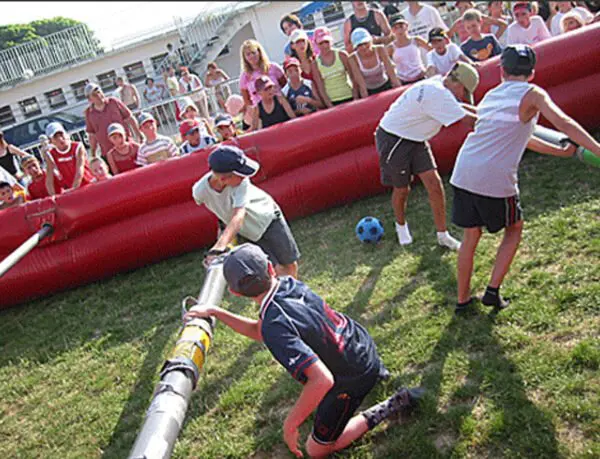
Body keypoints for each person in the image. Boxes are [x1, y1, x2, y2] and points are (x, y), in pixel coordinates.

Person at [183, 243, 424, 458]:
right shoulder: (288, 283)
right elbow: (260, 331)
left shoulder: (274, 323)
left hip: (352, 376)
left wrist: (291, 423)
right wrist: (215, 312)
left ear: (235, 293)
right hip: (361, 344)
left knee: (316, 449)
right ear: (271, 268)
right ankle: (377, 373)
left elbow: (321, 380)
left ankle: (393, 403)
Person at [451, 45, 600, 313]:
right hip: (493, 176)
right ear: (531, 73)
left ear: (502, 70)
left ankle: (462, 301)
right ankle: (492, 292)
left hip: (464, 170)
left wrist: (559, 151)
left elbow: (521, 137)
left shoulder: (491, 96)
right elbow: (564, 123)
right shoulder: (533, 94)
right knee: (514, 229)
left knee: (470, 235)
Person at [375, 62, 480, 249]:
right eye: (464, 92)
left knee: (434, 183)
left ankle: (443, 235)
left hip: (416, 138)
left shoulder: (441, 84)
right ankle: (401, 226)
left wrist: (488, 114)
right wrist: (501, 122)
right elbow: (470, 121)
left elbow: (465, 109)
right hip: (394, 138)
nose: (463, 97)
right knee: (402, 189)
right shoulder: (438, 93)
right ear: (458, 85)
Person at [192, 146, 300, 277]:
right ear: (223, 179)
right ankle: (280, 295)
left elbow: (239, 214)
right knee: (271, 271)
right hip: (247, 231)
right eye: (240, 174)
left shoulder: (241, 183)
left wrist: (219, 246)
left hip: (268, 217)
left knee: (289, 263)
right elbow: (218, 207)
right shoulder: (200, 191)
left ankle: (294, 291)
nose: (245, 177)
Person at [84, 82, 141, 158]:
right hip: (108, 153)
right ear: (89, 99)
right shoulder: (89, 113)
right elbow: (92, 135)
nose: (98, 96)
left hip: (127, 148)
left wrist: (139, 135)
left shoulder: (113, 102)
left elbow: (130, 118)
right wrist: (93, 154)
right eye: (94, 95)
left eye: (99, 92)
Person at [44, 122, 94, 196]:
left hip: (89, 184)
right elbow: (49, 179)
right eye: (56, 137)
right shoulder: (50, 154)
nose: (60, 139)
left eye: (61, 134)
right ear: (51, 141)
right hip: (71, 190)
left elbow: (79, 171)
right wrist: (53, 197)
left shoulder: (78, 147)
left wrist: (73, 190)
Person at [312, 27, 357, 107]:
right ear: (316, 44)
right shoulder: (315, 64)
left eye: (326, 42)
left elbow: (353, 77)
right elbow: (320, 87)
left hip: (349, 95)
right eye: (321, 43)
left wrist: (356, 98)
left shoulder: (342, 55)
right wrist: (329, 106)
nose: (324, 46)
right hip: (332, 101)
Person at [239, 39, 288, 113]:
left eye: (253, 52)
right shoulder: (244, 77)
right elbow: (247, 100)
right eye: (248, 54)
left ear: (259, 52)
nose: (252, 56)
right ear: (244, 58)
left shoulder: (274, 67)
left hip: (281, 106)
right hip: (261, 112)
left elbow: (285, 86)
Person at [349, 28, 400, 96]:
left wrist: (398, 88)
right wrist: (365, 97)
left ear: (371, 41)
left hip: (385, 85)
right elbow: (361, 83)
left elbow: (390, 71)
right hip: (369, 90)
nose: (364, 47)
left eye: (365, 43)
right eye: (359, 45)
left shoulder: (380, 49)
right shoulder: (353, 58)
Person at [388, 14, 430, 85]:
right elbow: (386, 63)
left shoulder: (416, 40)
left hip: (421, 77)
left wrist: (429, 68)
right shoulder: (390, 47)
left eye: (401, 26)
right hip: (403, 81)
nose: (399, 30)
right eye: (395, 28)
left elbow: (432, 50)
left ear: (406, 26)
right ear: (392, 30)